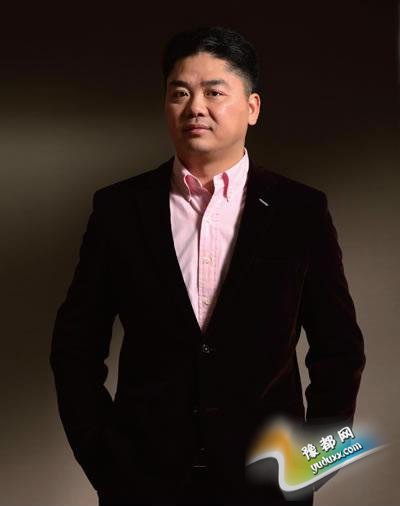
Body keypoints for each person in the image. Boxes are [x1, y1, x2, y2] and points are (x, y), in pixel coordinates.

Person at [49, 26, 366, 505]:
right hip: (142, 485)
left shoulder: (300, 211)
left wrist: (314, 466)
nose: (195, 107)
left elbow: (339, 350)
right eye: (180, 93)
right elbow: (75, 346)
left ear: (252, 108)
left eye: (214, 92)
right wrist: (105, 461)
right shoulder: (120, 209)